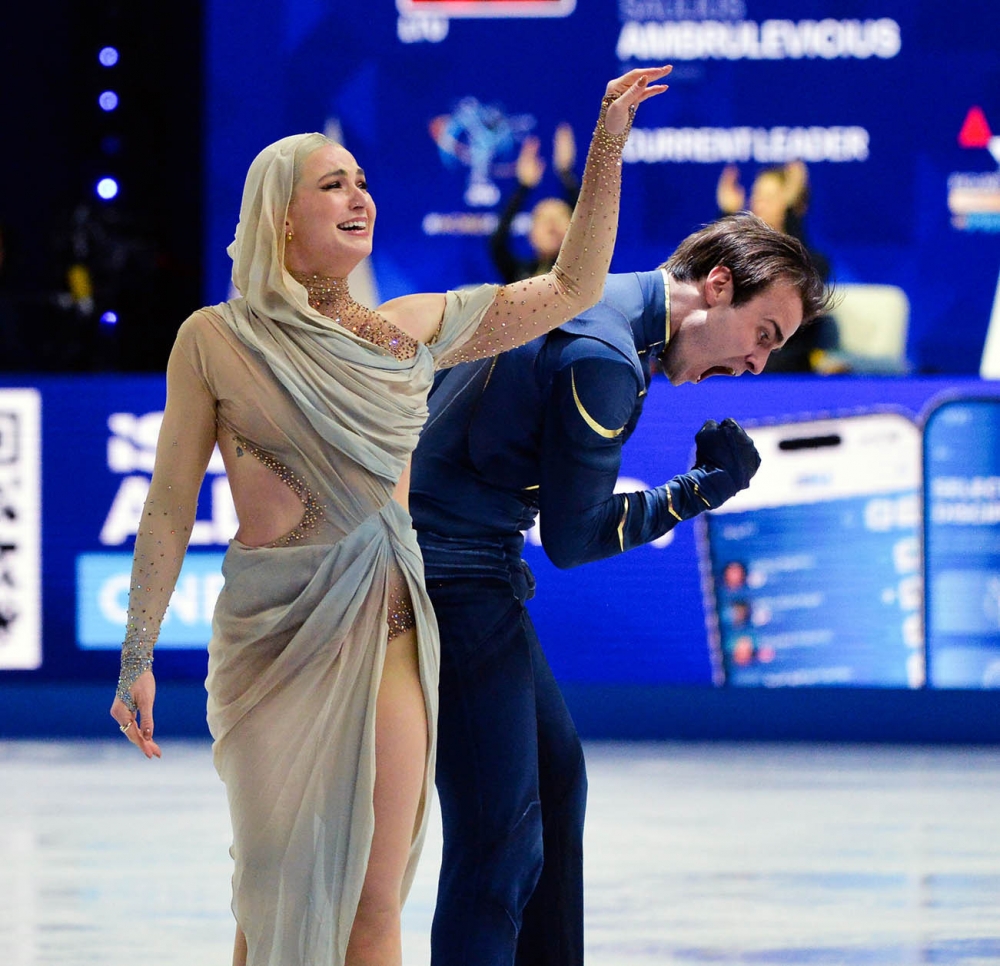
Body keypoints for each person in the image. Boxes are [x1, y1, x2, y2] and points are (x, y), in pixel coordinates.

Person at [106, 64, 671, 966]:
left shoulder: (406, 332)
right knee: (275, 887)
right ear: (278, 216)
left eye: (364, 182)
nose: (358, 195)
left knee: (377, 897)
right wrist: (139, 652)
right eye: (333, 184)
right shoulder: (213, 340)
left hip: (392, 632)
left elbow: (569, 289)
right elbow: (170, 507)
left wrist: (605, 146)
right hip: (276, 639)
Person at [410, 211, 833, 966]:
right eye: (764, 334)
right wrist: (698, 490)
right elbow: (575, 539)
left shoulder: (593, 300)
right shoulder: (604, 356)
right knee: (499, 843)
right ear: (717, 285)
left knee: (554, 783)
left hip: (463, 563)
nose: (759, 365)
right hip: (451, 576)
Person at [716, 161, 839, 372]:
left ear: (795, 205)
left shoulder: (815, 263)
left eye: (770, 198)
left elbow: (794, 277)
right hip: (734, 368)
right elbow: (717, 276)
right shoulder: (738, 258)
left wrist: (791, 215)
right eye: (756, 197)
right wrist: (728, 218)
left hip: (786, 369)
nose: (758, 205)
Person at [489, 123, 579, 283]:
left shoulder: (584, 271)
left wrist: (567, 175)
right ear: (531, 235)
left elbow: (594, 223)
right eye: (542, 218)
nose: (552, 222)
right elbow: (497, 243)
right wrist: (523, 187)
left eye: (561, 216)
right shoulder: (519, 273)